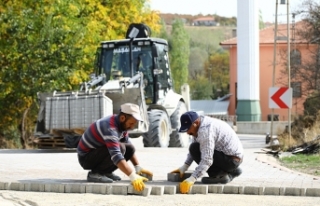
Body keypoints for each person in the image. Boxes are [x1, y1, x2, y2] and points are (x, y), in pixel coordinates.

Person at [77, 103, 153, 192]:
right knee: (120, 148)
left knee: (129, 148)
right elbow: (116, 155)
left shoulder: (122, 126)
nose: (132, 127)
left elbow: (129, 147)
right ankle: (95, 173)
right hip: (86, 158)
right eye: (131, 123)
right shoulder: (110, 127)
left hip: (97, 153)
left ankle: (105, 172)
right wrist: (132, 176)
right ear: (122, 118)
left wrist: (137, 167)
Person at [170, 111, 244, 194]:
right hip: (231, 158)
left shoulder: (206, 131)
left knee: (196, 150)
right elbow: (194, 149)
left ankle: (220, 175)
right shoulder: (200, 124)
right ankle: (232, 170)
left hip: (232, 160)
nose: (187, 132)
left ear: (196, 123)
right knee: (194, 147)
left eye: (188, 128)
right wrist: (185, 166)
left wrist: (192, 178)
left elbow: (207, 160)